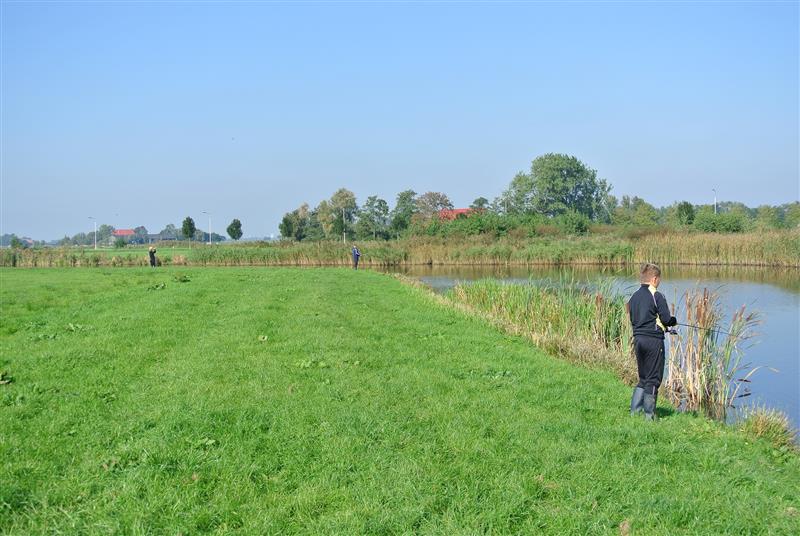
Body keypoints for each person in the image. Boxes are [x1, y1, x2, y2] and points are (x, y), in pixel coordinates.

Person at [628, 263, 676, 420]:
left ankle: (634, 412)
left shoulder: (634, 297)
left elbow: (636, 319)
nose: (659, 282)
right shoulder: (657, 295)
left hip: (638, 340)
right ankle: (650, 416)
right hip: (653, 342)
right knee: (653, 379)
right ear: (654, 279)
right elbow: (666, 319)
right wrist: (673, 321)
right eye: (659, 279)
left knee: (643, 378)